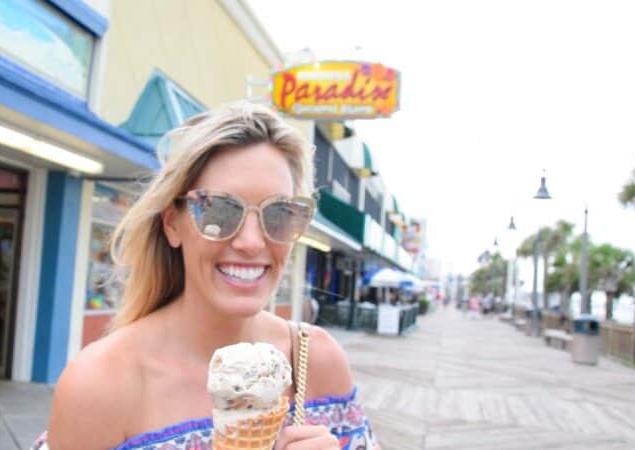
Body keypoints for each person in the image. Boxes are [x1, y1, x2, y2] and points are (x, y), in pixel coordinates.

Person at [34, 103, 380, 450]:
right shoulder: (99, 385)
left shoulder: (315, 359)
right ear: (172, 224)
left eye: (279, 213)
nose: (251, 242)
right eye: (218, 209)